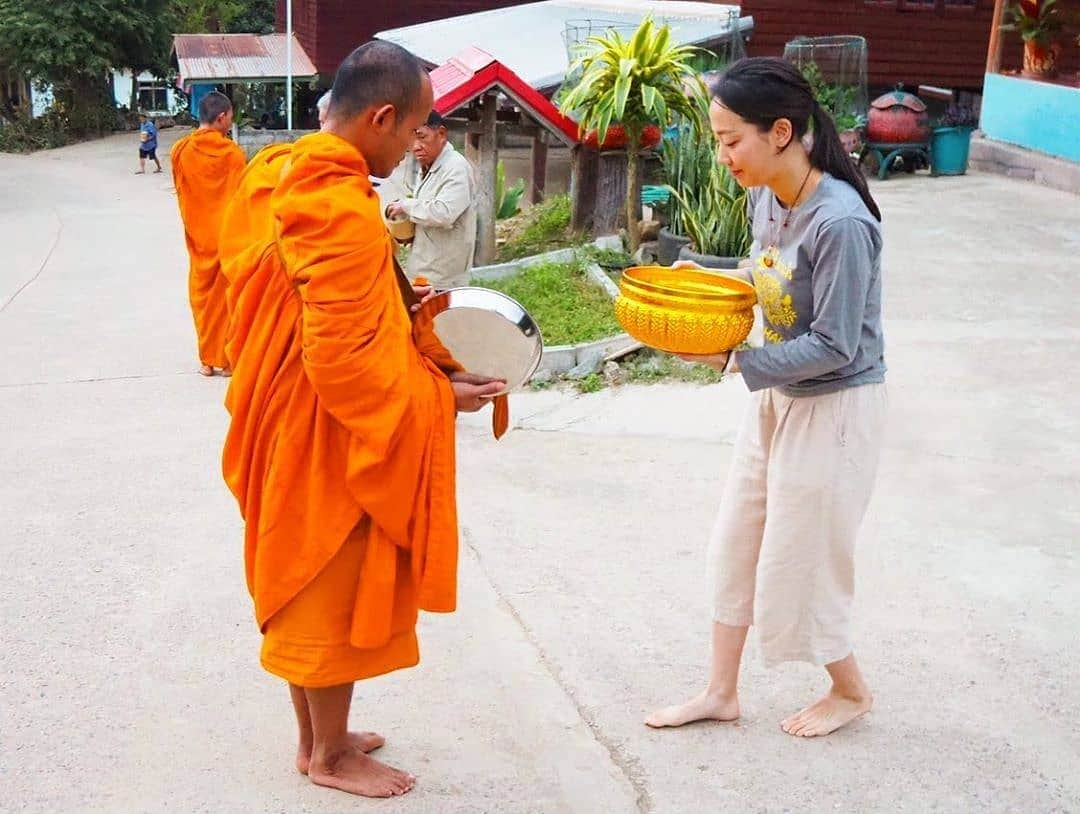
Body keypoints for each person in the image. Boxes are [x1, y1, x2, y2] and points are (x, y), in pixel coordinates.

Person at [217, 41, 504, 799]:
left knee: (299, 580)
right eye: (411, 129)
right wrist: (441, 398)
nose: (415, 144)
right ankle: (330, 759)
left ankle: (322, 737)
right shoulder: (336, 204)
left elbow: (322, 301)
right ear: (381, 118)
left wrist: (424, 341)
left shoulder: (280, 173)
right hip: (326, 432)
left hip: (283, 418)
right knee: (324, 589)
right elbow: (345, 365)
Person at [645, 57, 887, 739]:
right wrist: (715, 278)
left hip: (835, 408)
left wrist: (734, 360)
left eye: (731, 140)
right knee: (738, 541)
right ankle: (721, 691)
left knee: (800, 558)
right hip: (779, 398)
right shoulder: (767, 198)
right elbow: (768, 274)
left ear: (781, 132)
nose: (722, 156)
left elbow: (838, 344)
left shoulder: (840, 222)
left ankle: (851, 691)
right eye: (718, 141)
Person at [170, 91, 246, 376]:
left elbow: (182, 190)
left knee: (202, 297)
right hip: (226, 238)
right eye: (230, 117)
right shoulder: (232, 154)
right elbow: (242, 197)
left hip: (198, 236)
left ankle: (206, 360)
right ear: (221, 117)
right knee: (226, 298)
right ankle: (226, 360)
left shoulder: (180, 150)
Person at [385, 111, 477, 290]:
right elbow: (427, 209)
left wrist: (406, 205)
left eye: (421, 137)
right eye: (411, 139)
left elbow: (444, 213)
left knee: (437, 316)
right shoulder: (429, 165)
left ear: (441, 134)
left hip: (442, 275)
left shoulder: (455, 167)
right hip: (425, 266)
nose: (416, 147)